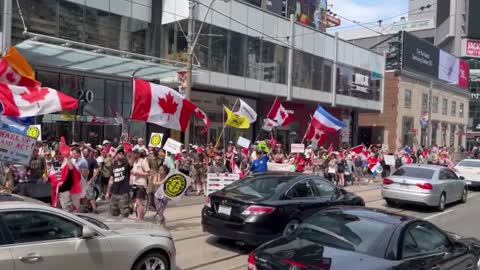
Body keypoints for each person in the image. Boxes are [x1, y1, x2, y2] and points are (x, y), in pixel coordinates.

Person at [107, 149, 133, 218]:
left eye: (122, 153)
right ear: (116, 155)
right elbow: (111, 180)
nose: (121, 154)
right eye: (119, 153)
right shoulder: (113, 166)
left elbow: (131, 161)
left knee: (125, 213)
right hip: (114, 193)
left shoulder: (126, 165)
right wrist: (107, 192)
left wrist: (128, 151)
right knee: (113, 213)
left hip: (123, 194)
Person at [131, 148, 150, 220]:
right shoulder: (135, 162)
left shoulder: (143, 162)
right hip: (135, 184)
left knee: (139, 203)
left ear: (139, 154)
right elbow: (134, 171)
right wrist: (132, 171)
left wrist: (139, 173)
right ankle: (139, 218)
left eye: (135, 153)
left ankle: (140, 219)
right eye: (133, 153)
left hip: (141, 185)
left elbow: (148, 173)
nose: (134, 154)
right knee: (137, 202)